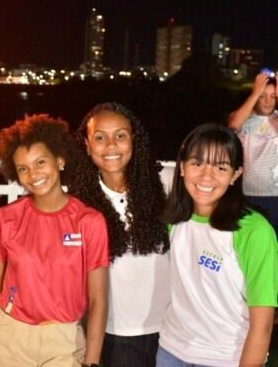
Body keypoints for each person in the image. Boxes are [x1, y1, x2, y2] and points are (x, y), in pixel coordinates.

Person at [0, 114, 109, 367]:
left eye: (40, 162)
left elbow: (98, 299)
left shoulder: (89, 221)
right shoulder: (6, 219)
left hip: (64, 341)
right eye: (23, 169)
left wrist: (92, 362)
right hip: (10, 337)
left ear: (59, 160)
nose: (33, 174)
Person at [158, 123, 278, 366]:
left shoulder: (254, 231)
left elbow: (263, 325)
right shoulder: (174, 220)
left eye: (221, 167)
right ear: (181, 167)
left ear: (235, 175)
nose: (206, 176)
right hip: (171, 351)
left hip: (226, 357)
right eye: (197, 163)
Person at [70, 102, 170, 367]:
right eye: (100, 137)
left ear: (133, 140)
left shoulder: (166, 185)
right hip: (117, 334)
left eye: (121, 136)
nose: (111, 145)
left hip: (174, 331)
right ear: (87, 144)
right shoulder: (78, 205)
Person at [228, 71, 278, 230]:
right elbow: (233, 125)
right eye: (263, 96)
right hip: (245, 193)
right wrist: (256, 92)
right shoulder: (245, 118)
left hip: (275, 195)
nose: (268, 101)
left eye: (273, 96)